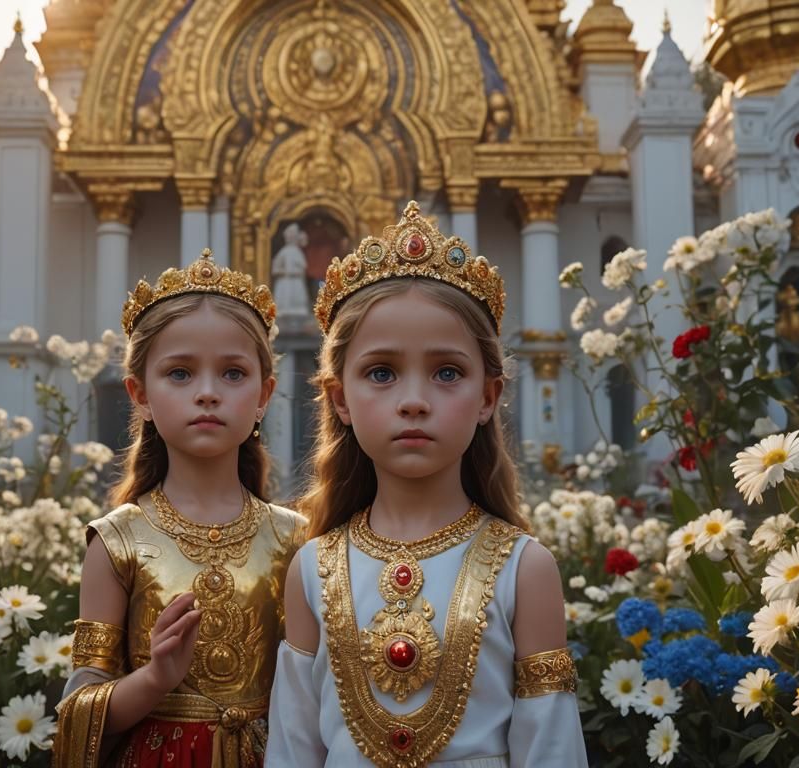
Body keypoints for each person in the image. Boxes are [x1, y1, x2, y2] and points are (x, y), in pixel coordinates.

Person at [266, 202, 587, 767]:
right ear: (340, 398)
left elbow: (551, 751)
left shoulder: (524, 570)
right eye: (382, 373)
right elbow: (292, 751)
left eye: (447, 373)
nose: (414, 400)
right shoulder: (312, 570)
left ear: (487, 397)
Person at [55, 249, 305, 768]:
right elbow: (79, 706)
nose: (208, 393)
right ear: (140, 395)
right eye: (180, 373)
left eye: (233, 374)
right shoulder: (118, 542)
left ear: (264, 395)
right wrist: (155, 679)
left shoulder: (295, 540)